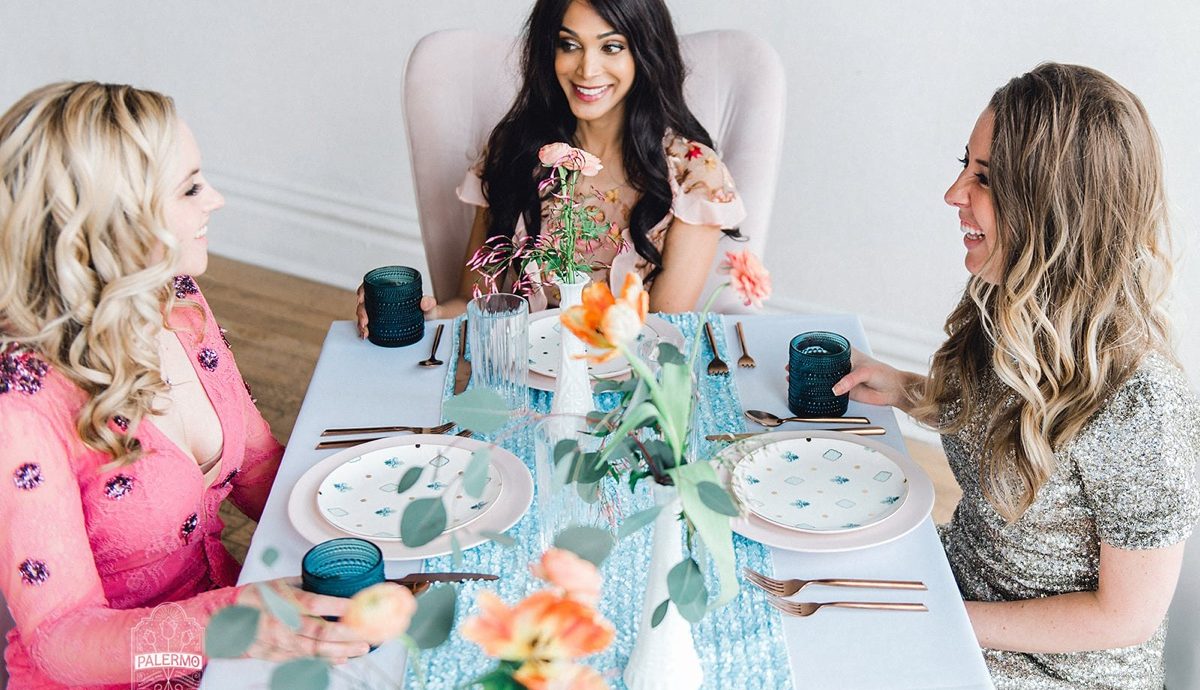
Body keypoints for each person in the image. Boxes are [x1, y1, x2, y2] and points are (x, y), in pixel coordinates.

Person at [833, 63, 1200, 689]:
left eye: (985, 177)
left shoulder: (1144, 403)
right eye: (965, 165)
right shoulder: (1009, 300)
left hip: (1051, 668)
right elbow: (998, 422)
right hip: (962, 586)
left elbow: (1124, 618)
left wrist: (944, 618)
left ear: (1053, 206)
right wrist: (907, 390)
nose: (953, 194)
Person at [0, 82, 371, 688]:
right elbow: (62, 643)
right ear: (116, 219)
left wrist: (361, 513)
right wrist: (232, 624)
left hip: (233, 637)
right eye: (191, 188)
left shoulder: (175, 298)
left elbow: (256, 464)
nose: (216, 200)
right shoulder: (21, 406)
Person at [357, 0, 745, 335]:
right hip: (519, 377)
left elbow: (662, 333)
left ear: (644, 55)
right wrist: (423, 315)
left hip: (630, 386)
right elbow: (473, 303)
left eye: (611, 47)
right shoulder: (513, 152)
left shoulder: (694, 175)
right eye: (569, 45)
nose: (587, 69)